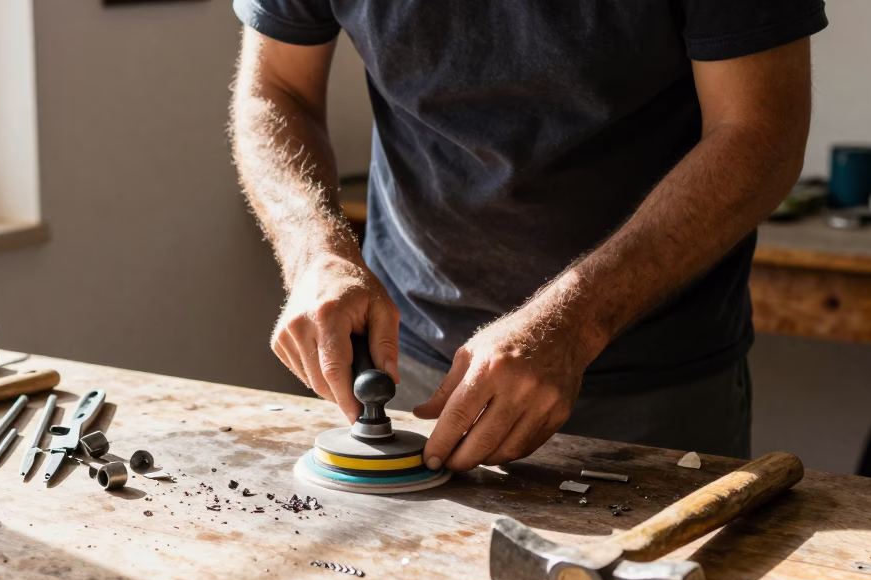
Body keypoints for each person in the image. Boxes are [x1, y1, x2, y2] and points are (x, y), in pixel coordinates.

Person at [229, 1, 827, 472]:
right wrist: (316, 251)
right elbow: (275, 88)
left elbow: (759, 132)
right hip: (408, 361)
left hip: (647, 385)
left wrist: (574, 323)